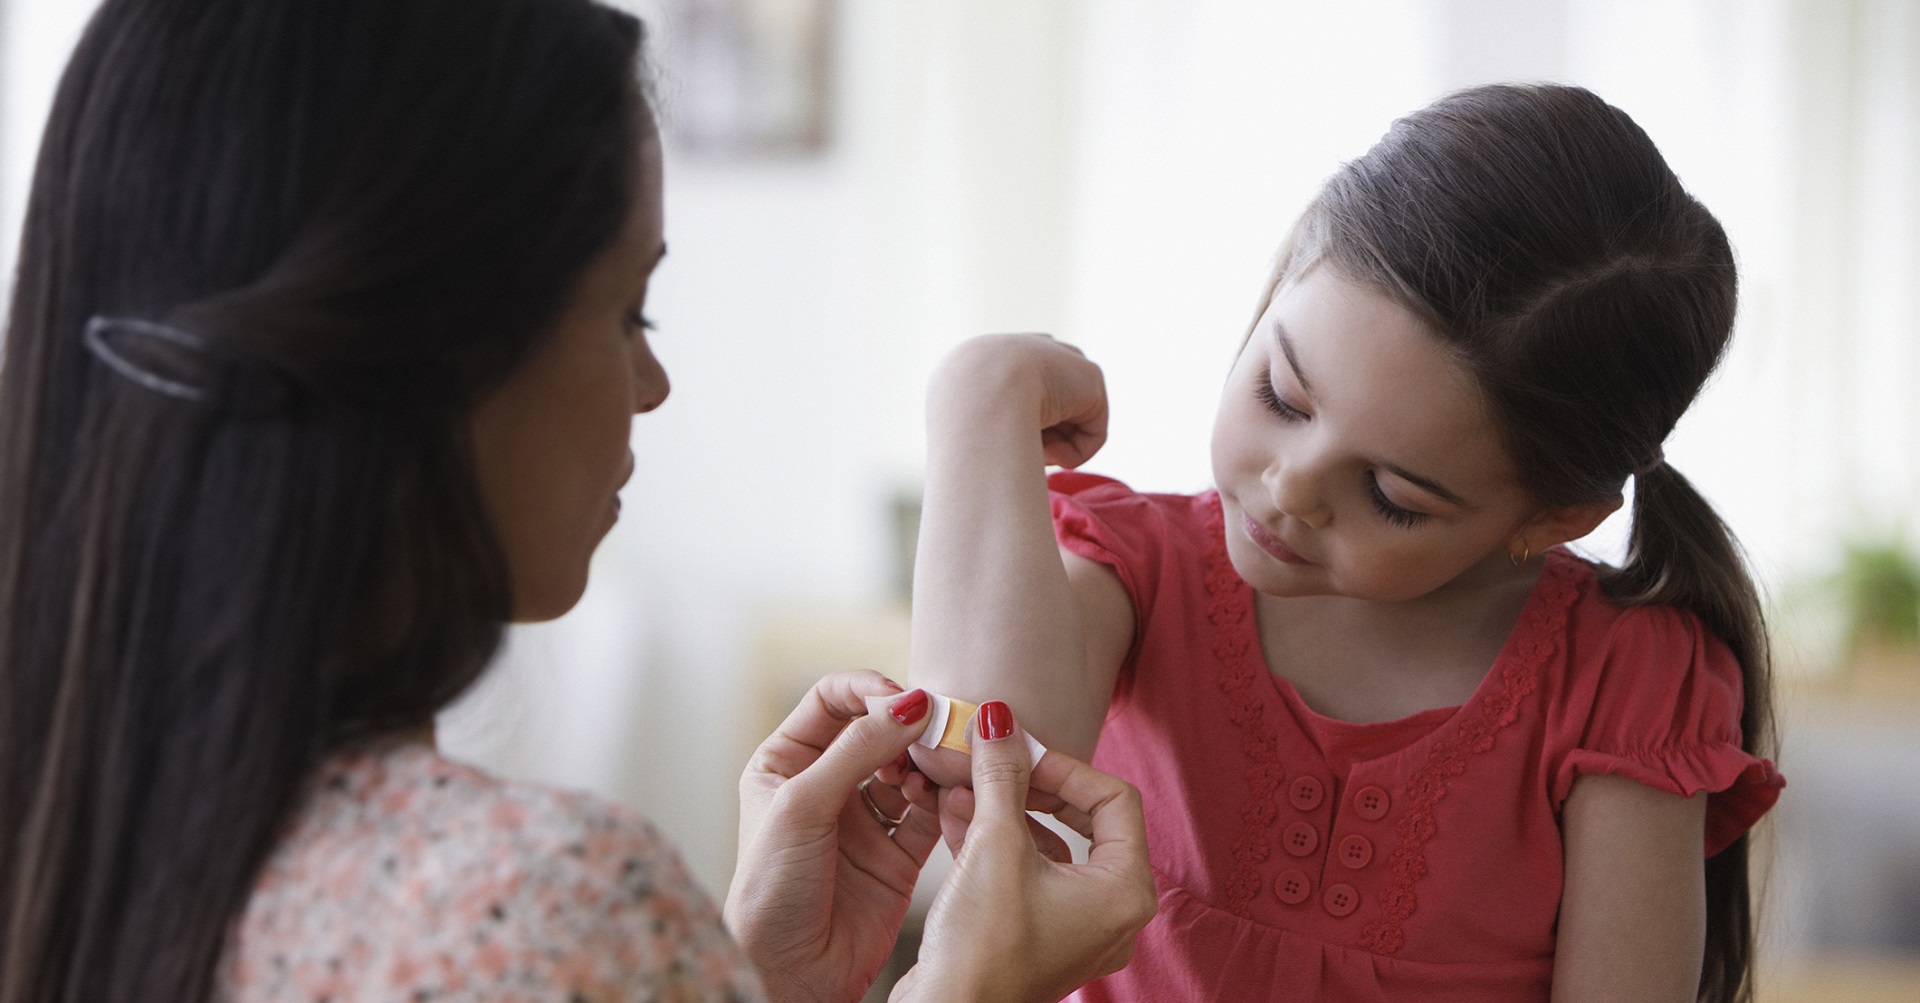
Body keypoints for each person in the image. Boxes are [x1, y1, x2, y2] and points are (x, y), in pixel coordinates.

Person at [0, 1, 1155, 1001]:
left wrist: (742, 978)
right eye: (628, 314)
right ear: (430, 350)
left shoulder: (79, 828)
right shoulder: (537, 903)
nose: (653, 386)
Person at [909, 84, 1785, 1002]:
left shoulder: (1623, 687)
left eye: (1391, 494)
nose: (1289, 488)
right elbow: (980, 755)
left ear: (1554, 516)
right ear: (1287, 268)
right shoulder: (1143, 571)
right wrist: (983, 396)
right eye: (1282, 396)